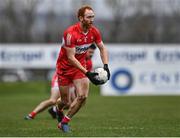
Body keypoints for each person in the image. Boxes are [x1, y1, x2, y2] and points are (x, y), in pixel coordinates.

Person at [55, 5, 110, 132]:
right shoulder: (70, 33)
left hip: (79, 69)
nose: (92, 19)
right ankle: (58, 110)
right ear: (81, 18)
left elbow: (102, 48)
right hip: (64, 69)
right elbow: (71, 58)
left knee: (83, 96)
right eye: (89, 17)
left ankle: (64, 122)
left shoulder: (94, 31)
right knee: (65, 101)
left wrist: (106, 66)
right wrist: (88, 73)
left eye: (93, 17)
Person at [24, 44, 96, 120]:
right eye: (90, 52)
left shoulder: (89, 63)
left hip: (72, 82)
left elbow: (83, 77)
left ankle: (55, 110)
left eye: (93, 53)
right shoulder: (74, 56)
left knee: (74, 103)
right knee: (53, 100)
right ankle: (31, 115)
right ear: (84, 50)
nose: (91, 54)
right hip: (61, 78)